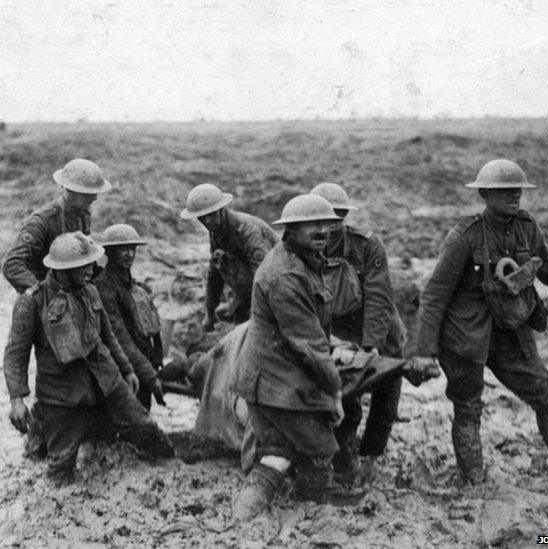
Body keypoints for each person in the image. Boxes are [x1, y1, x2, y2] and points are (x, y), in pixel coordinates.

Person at [413, 159, 548, 486]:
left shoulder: (527, 228)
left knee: (545, 393)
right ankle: (472, 482)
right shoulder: (464, 236)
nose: (514, 196)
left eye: (517, 190)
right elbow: (434, 295)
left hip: (511, 331)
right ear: (485, 194)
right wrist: (424, 351)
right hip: (465, 336)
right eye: (505, 191)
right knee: (467, 407)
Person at [231, 194, 365, 521]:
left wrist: (337, 347)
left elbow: (310, 327)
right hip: (275, 381)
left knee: (276, 457)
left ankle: (241, 524)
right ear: (291, 230)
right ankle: (311, 515)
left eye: (326, 224)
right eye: (312, 225)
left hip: (269, 375)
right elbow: (307, 343)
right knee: (321, 448)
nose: (322, 230)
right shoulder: (286, 274)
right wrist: (334, 391)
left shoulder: (305, 261)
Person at [2, 232, 174, 480]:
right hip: (62, 397)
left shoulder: (90, 291)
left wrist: (126, 370)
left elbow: (109, 335)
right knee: (60, 469)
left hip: (108, 383)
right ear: (63, 269)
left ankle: (172, 474)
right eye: (83, 266)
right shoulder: (32, 302)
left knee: (148, 432)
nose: (90, 270)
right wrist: (17, 400)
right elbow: (15, 353)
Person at [310, 182, 418, 484]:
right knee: (345, 397)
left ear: (345, 218)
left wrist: (371, 346)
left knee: (386, 396)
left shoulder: (366, 245)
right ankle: (344, 457)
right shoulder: (303, 249)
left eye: (337, 219)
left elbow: (378, 296)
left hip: (378, 328)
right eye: (322, 220)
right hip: (336, 330)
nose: (329, 228)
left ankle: (372, 454)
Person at [2, 159, 112, 293]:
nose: (94, 198)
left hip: (73, 292)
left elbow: (85, 257)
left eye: (95, 193)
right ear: (70, 190)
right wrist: (40, 293)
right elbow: (12, 264)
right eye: (86, 194)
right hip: (46, 297)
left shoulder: (83, 214)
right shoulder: (43, 221)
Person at [179, 183, 279, 330]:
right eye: (202, 217)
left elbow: (264, 277)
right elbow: (215, 272)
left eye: (211, 215)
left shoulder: (248, 231)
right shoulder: (216, 231)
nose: (207, 221)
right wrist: (210, 310)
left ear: (221, 209)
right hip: (247, 292)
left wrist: (258, 313)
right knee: (237, 320)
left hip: (276, 290)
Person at [93, 223, 166, 411]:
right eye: (123, 249)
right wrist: (150, 375)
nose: (130, 254)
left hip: (142, 362)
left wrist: (157, 363)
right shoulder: (104, 288)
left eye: (133, 248)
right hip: (123, 368)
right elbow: (119, 336)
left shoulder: (137, 287)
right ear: (109, 251)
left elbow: (152, 330)